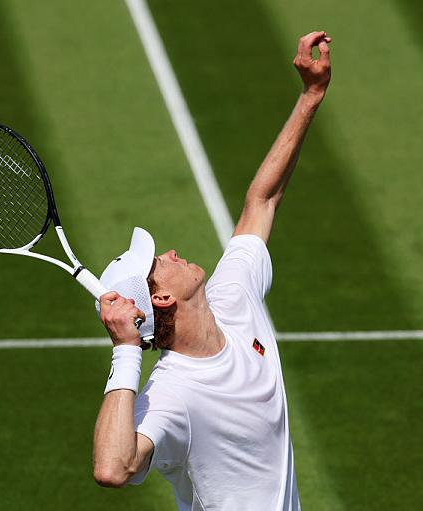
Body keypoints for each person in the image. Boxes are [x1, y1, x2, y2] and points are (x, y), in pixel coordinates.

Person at [92, 30, 332, 510]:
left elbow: (261, 201)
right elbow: (112, 469)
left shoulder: (233, 296)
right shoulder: (172, 394)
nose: (171, 252)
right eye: (159, 262)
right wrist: (125, 350)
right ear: (161, 299)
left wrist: (310, 96)